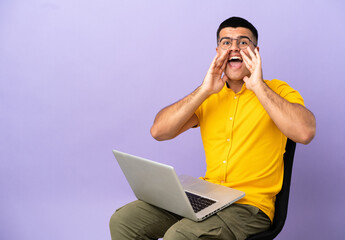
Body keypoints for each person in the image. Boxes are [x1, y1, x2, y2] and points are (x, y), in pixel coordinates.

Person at [109, 16, 316, 240]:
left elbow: (304, 133)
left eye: (243, 42)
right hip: (206, 196)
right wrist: (204, 90)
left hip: (248, 206)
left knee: (179, 236)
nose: (234, 47)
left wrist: (257, 86)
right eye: (226, 42)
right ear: (218, 50)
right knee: (124, 221)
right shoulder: (209, 96)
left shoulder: (277, 91)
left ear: (256, 51)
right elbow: (159, 131)